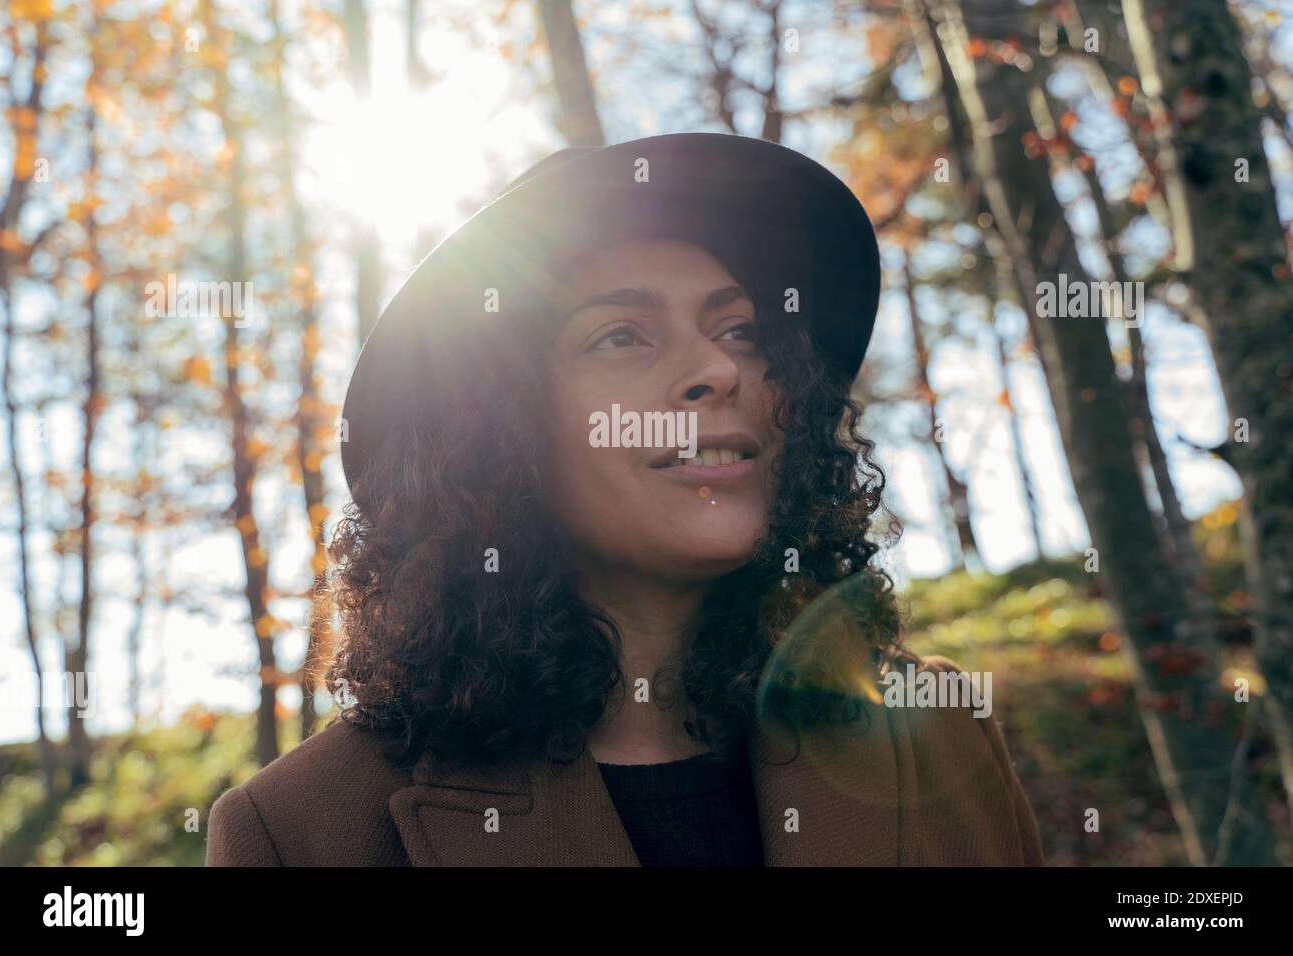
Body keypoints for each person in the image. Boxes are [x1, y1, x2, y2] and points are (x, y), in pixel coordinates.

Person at [206, 132, 1043, 867]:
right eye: (620, 336)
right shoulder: (297, 833)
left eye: (740, 331)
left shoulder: (934, 733)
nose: (719, 370)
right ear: (497, 435)